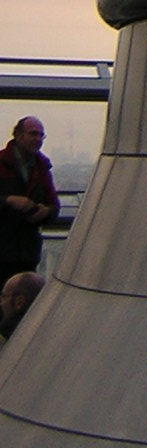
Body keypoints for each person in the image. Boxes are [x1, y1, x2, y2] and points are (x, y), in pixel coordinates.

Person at [0, 118, 59, 287]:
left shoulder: (42, 168)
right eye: (33, 134)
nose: (38, 139)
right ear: (19, 136)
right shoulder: (2, 163)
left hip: (26, 254)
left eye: (41, 135)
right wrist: (9, 201)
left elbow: (54, 205)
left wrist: (46, 212)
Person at [0, 271, 44, 342]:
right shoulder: (47, 323)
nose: (1, 304)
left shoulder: (5, 334)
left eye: (3, 297)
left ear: (19, 301)